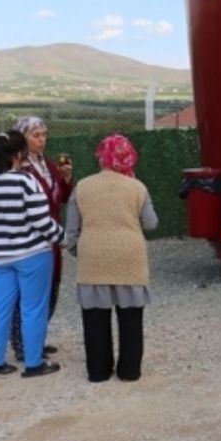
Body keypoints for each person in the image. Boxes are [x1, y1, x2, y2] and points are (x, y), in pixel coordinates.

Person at [65, 134, 158, 382]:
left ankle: (98, 371)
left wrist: (76, 250)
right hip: (130, 258)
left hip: (93, 258)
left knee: (95, 319)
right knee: (131, 320)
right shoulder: (137, 187)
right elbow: (151, 223)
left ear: (101, 157)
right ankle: (130, 371)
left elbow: (72, 229)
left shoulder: (82, 186)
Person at [0, 130, 65, 378]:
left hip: (0, 256)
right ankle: (34, 363)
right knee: (33, 308)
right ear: (18, 154)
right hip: (33, 254)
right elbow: (42, 222)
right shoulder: (26, 181)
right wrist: (63, 238)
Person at [9, 116, 73, 363]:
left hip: (51, 236)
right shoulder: (19, 168)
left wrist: (65, 179)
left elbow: (62, 198)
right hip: (30, 238)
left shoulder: (47, 165)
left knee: (49, 290)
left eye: (44, 135)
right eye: (36, 135)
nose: (42, 140)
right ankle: (23, 345)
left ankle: (35, 339)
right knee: (28, 295)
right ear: (22, 138)